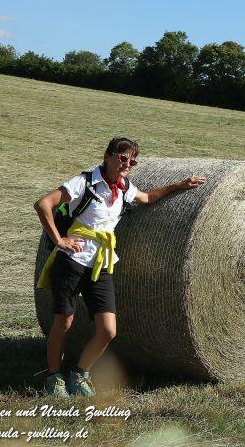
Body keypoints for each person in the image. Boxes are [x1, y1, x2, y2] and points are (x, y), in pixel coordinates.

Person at [34, 137, 206, 398]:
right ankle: (54, 377)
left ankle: (79, 374)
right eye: (122, 158)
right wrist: (60, 240)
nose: (127, 164)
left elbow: (148, 197)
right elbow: (43, 204)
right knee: (64, 321)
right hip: (72, 261)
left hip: (101, 264)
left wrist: (179, 186)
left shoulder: (124, 187)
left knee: (108, 330)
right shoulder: (84, 183)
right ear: (108, 156)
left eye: (132, 161)